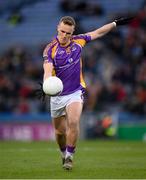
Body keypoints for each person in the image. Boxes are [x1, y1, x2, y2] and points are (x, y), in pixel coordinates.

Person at [36, 16, 133, 170]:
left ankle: (69, 157)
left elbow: (99, 32)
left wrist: (115, 23)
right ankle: (62, 153)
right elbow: (47, 70)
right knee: (60, 132)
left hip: (75, 92)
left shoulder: (79, 42)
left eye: (68, 33)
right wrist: (47, 85)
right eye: (62, 31)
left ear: (72, 32)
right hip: (57, 95)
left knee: (74, 122)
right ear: (57, 28)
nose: (64, 35)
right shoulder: (50, 49)